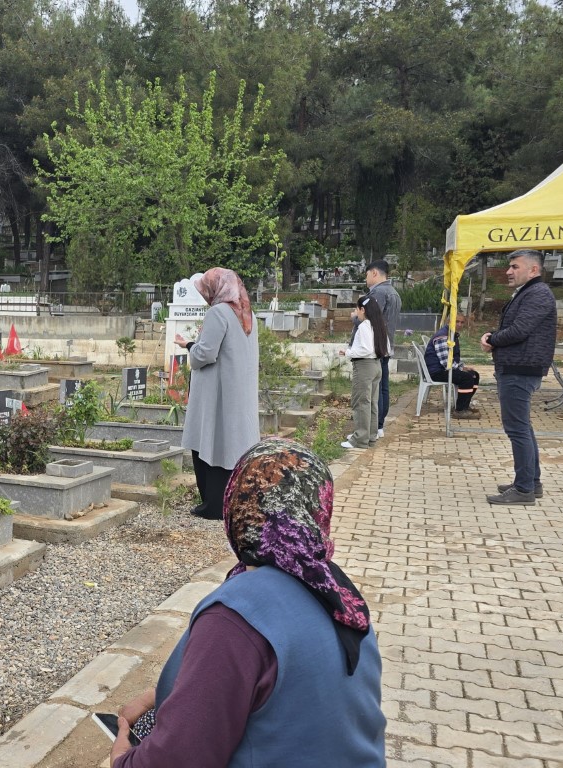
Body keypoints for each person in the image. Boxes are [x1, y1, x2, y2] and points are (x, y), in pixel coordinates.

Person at [109, 439, 386, 768]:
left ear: (237, 510)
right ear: (319, 510)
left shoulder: (235, 617)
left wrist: (123, 760)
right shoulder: (340, 595)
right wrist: (172, 695)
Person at [174, 268, 259, 521]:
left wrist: (190, 348)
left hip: (216, 390)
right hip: (238, 390)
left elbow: (205, 355)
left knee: (208, 443)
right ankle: (233, 501)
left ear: (217, 289)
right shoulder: (246, 313)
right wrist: (193, 345)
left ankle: (212, 505)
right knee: (232, 444)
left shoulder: (218, 312)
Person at [481, 249, 556, 505]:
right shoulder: (530, 292)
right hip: (518, 367)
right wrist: (494, 334)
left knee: (517, 429)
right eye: (509, 266)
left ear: (533, 270)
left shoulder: (538, 293)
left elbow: (519, 331)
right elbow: (515, 327)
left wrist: (492, 339)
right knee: (523, 427)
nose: (508, 271)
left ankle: (524, 489)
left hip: (520, 369)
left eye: (515, 267)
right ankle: (531, 483)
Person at [340, 296, 389, 449]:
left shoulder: (364, 326)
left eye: (356, 309)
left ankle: (359, 439)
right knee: (372, 403)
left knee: (361, 402)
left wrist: (348, 352)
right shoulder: (379, 325)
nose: (356, 313)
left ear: (363, 310)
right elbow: (383, 347)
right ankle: (370, 436)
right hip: (376, 365)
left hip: (364, 366)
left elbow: (365, 349)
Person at [364, 261, 401, 438]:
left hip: (375, 345)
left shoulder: (378, 292)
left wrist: (356, 317)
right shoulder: (394, 292)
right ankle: (379, 425)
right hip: (387, 345)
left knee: (375, 387)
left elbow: (370, 320)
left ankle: (374, 424)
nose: (366, 279)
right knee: (383, 385)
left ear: (374, 273)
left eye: (367, 275)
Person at [424, 319, 481, 418]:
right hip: (437, 372)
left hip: (443, 369)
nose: (459, 324)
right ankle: (460, 411)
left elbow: (452, 358)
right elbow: (446, 362)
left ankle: (464, 406)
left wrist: (462, 367)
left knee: (474, 375)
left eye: (462, 322)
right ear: (449, 322)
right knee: (467, 378)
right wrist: (461, 368)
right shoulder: (442, 336)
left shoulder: (452, 334)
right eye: (456, 321)